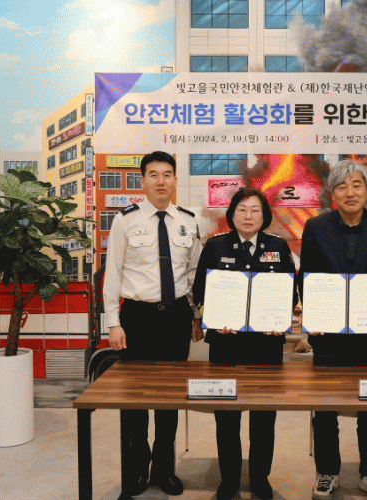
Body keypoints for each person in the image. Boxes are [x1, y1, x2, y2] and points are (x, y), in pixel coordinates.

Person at [298, 159, 367, 500]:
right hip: (328, 337)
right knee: (325, 409)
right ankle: (327, 472)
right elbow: (307, 277)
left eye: (357, 185)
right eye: (342, 187)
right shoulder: (316, 228)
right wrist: (314, 314)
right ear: (333, 194)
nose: (350, 192)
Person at [103, 150, 203, 496]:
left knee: (169, 399)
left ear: (175, 179)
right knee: (135, 399)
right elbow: (112, 273)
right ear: (143, 181)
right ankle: (137, 469)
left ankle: (164, 470)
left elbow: (193, 273)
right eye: (153, 174)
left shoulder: (188, 220)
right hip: (137, 318)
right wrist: (113, 322)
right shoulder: (125, 220)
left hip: (176, 317)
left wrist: (195, 316)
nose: (161, 181)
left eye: (167, 174)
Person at [192, 187, 296, 500]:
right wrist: (212, 316)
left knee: (264, 417)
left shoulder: (278, 246)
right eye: (242, 209)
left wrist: (281, 319)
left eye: (255, 210)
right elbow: (200, 290)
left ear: (264, 216)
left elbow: (289, 291)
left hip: (267, 346)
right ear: (232, 214)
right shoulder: (216, 245)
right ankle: (229, 479)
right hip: (226, 345)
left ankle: (260, 478)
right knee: (227, 416)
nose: (248, 216)